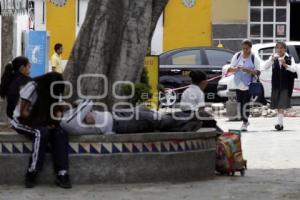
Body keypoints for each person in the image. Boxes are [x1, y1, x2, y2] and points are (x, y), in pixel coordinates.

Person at [10, 72, 71, 189]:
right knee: (41, 132)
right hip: (22, 121)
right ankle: (32, 172)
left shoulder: (56, 90)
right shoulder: (33, 87)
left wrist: (57, 116)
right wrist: (44, 123)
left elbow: (57, 112)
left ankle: (62, 173)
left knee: (60, 133)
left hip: (43, 121)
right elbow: (23, 112)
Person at [60, 100, 206, 135]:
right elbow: (88, 102)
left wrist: (82, 110)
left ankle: (187, 123)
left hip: (116, 115)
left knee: (151, 114)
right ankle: (195, 116)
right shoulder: (66, 122)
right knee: (157, 120)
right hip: (118, 124)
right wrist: (85, 111)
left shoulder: (68, 115)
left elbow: (85, 103)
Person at [263, 41, 298, 131]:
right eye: (277, 48)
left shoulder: (289, 58)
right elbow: (264, 67)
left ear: (285, 49)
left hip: (286, 85)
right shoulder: (274, 57)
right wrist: (271, 60)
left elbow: (294, 70)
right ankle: (280, 124)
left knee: (281, 105)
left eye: (281, 48)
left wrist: (285, 64)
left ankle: (280, 124)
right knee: (278, 105)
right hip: (276, 85)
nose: (279, 50)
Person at [227, 39, 260, 132]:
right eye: (243, 48)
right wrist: (235, 69)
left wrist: (248, 70)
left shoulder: (254, 58)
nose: (245, 50)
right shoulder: (237, 56)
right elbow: (230, 69)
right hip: (238, 84)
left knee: (245, 104)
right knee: (240, 103)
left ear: (250, 48)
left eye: (247, 48)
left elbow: (258, 72)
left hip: (249, 84)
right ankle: (245, 120)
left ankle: (244, 122)